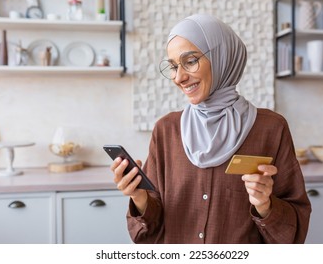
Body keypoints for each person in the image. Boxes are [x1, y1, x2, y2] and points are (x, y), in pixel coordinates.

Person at [111, 14, 311, 244]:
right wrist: (139, 196)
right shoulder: (166, 131)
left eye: (190, 61)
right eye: (174, 66)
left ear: (221, 57)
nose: (179, 77)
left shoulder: (270, 128)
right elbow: (150, 231)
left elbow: (295, 228)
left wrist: (265, 205)